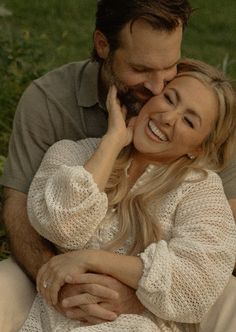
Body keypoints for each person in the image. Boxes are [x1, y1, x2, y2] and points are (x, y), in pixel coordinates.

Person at [1, 0, 236, 331]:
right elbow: (42, 216)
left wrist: (127, 287)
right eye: (142, 70)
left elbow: (210, 259)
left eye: (169, 69)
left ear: (199, 147)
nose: (158, 87)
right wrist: (113, 142)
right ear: (103, 45)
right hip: (54, 290)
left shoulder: (199, 177)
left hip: (152, 309)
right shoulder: (63, 130)